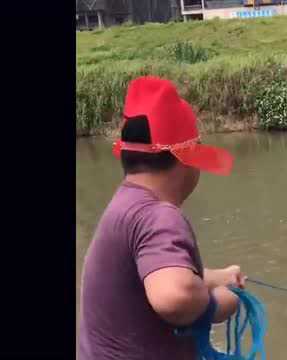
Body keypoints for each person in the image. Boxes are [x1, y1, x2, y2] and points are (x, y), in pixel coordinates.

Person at [79, 76, 244, 359]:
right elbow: (175, 296)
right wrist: (223, 302)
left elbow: (155, 276)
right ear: (186, 158)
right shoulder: (158, 215)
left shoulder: (125, 205)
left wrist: (220, 276)